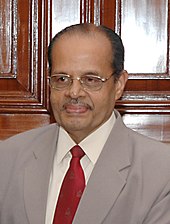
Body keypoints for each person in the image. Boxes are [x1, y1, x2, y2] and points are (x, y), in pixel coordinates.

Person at [0, 23, 170, 224]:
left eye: (91, 79)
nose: (74, 92)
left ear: (119, 84)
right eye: (62, 79)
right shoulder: (8, 157)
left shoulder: (162, 171)